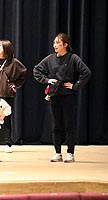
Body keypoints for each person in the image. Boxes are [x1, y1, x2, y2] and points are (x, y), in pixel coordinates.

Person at [33, 33, 91, 163]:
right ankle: (57, 152)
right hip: (54, 95)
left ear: (65, 44)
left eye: (58, 43)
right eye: (54, 43)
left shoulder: (73, 58)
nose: (55, 45)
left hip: (67, 95)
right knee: (56, 125)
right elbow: (37, 70)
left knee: (69, 124)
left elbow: (86, 72)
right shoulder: (50, 59)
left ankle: (70, 153)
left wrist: (75, 86)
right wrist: (47, 80)